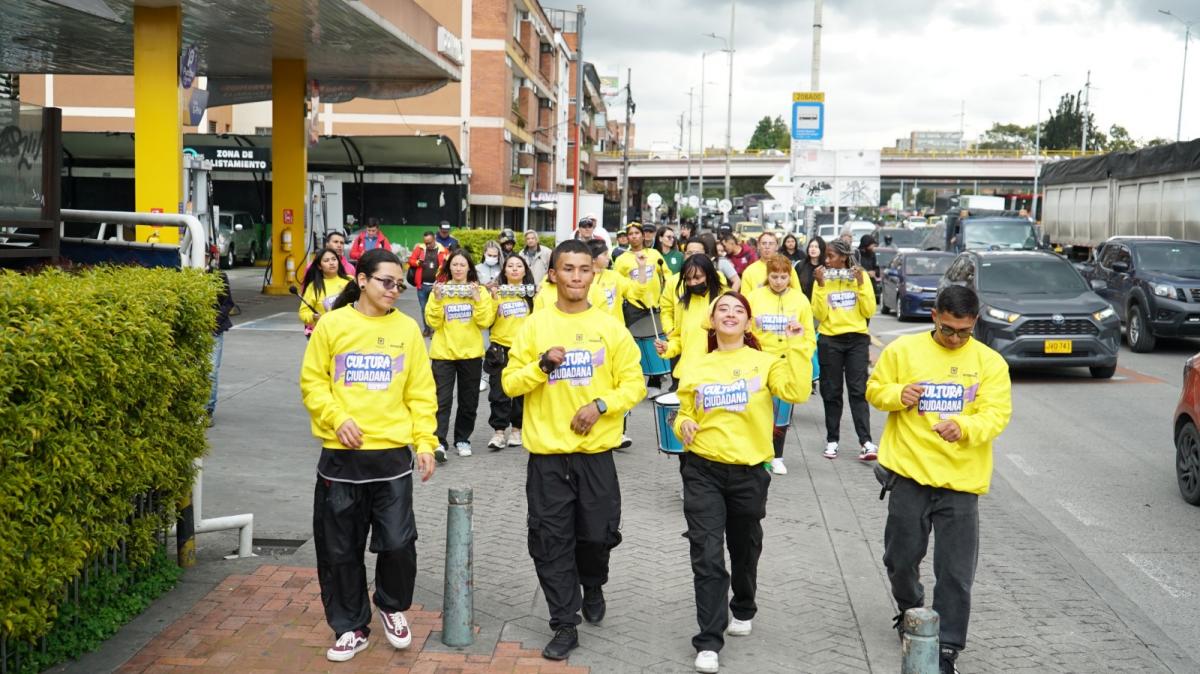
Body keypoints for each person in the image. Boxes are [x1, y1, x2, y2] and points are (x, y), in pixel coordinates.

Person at [501, 240, 645, 661]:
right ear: (553, 274)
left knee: (597, 536)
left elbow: (633, 384)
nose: (577, 276)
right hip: (547, 457)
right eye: (568, 269)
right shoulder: (534, 326)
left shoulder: (610, 328)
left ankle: (593, 581)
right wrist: (542, 366)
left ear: (593, 275)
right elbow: (510, 383)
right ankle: (564, 621)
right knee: (550, 540)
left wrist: (601, 406)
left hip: (596, 455)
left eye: (584, 269)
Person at [299, 248, 438, 663]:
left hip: (392, 458)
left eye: (400, 283)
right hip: (341, 460)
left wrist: (426, 441)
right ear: (362, 280)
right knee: (339, 549)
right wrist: (336, 417)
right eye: (386, 282)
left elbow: (420, 390)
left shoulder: (408, 330)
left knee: (398, 544)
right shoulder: (334, 325)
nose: (395, 290)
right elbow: (312, 382)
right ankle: (350, 627)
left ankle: (391, 605)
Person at [865, 285, 1012, 674]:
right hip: (910, 476)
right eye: (948, 329)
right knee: (899, 560)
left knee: (956, 573)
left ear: (974, 322)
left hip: (961, 484)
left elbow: (996, 414)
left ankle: (946, 647)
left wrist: (963, 426)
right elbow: (875, 391)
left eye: (964, 331)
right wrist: (899, 393)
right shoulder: (902, 352)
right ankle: (911, 610)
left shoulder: (990, 362)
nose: (955, 339)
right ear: (934, 316)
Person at [673, 291, 812, 674]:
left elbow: (797, 392)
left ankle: (744, 603)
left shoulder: (765, 362)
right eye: (723, 309)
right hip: (702, 467)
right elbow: (685, 408)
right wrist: (682, 422)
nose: (730, 314)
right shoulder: (697, 363)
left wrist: (799, 343)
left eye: (739, 310)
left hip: (750, 472)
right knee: (706, 551)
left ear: (748, 323)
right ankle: (708, 639)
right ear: (712, 320)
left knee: (745, 545)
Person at [747, 255, 817, 476]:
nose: (778, 281)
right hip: (760, 363)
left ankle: (777, 455)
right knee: (758, 410)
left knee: (782, 413)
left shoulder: (800, 300)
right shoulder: (754, 297)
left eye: (783, 277)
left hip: (787, 363)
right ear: (767, 276)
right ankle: (758, 453)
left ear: (790, 277)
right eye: (774, 276)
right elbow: (746, 331)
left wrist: (799, 352)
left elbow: (809, 337)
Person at [424, 249, 497, 461]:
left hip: (471, 355)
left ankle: (463, 439)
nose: (458, 268)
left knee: (469, 401)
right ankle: (438, 442)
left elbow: (485, 322)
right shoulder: (439, 290)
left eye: (462, 265)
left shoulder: (479, 291)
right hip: (443, 354)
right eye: (454, 264)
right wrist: (437, 301)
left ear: (469, 268)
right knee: (441, 400)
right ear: (448, 268)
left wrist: (477, 299)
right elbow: (433, 323)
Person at [812, 239, 878, 461]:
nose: (826, 260)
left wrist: (860, 285)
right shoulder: (822, 278)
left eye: (830, 256)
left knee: (858, 390)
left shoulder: (860, 276)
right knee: (831, 391)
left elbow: (869, 310)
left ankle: (866, 441)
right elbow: (819, 314)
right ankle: (832, 440)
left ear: (843, 257)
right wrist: (821, 286)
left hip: (857, 338)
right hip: (830, 339)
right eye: (826, 256)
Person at [485, 254, 536, 449]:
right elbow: (487, 320)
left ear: (525, 270)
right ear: (504, 271)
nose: (514, 269)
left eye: (519, 266)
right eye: (510, 266)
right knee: (498, 391)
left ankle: (517, 430)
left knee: (522, 391)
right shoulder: (496, 293)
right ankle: (499, 432)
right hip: (500, 348)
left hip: (524, 349)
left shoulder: (531, 294)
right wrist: (494, 299)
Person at [614, 222, 668, 392]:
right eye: (631, 234)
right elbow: (617, 283)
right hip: (634, 306)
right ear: (627, 238)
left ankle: (655, 381)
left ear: (643, 235)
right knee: (634, 343)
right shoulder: (622, 259)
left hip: (655, 305)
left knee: (655, 341)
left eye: (638, 233)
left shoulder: (653, 254)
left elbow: (666, 274)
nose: (634, 236)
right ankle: (634, 379)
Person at [299, 248, 352, 338]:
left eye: (334, 259)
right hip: (323, 334)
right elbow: (303, 312)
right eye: (326, 261)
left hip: (347, 333)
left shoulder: (350, 281)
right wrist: (313, 317)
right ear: (319, 266)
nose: (331, 263)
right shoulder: (314, 286)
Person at [206, 265, 235, 426]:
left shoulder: (218, 276)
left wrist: (213, 320)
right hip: (194, 329)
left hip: (214, 330)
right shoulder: (182, 272)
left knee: (210, 371)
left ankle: (207, 409)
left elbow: (228, 302)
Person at [407, 232, 448, 338]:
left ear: (434, 239)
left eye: (429, 243)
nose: (427, 245)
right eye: (425, 243)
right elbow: (410, 260)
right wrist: (417, 263)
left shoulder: (443, 250)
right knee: (424, 308)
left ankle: (435, 330)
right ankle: (427, 329)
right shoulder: (420, 249)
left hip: (436, 286)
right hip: (422, 285)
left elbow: (447, 265)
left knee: (436, 307)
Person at [859, 234, 882, 304]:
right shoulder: (857, 255)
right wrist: (866, 273)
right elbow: (855, 268)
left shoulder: (872, 255)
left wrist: (874, 272)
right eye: (872, 245)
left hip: (871, 285)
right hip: (861, 284)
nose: (873, 247)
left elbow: (877, 269)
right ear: (866, 245)